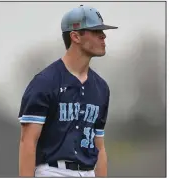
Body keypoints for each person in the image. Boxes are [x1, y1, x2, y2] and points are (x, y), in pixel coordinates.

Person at [18, 5, 118, 177]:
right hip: (53, 171)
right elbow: (28, 142)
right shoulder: (45, 82)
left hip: (88, 172)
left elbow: (99, 147)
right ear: (75, 36)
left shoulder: (101, 87)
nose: (103, 36)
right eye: (95, 32)